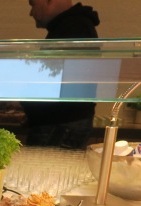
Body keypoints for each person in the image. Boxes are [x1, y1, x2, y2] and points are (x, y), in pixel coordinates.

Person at [21, 0, 100, 149]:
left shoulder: (74, 27)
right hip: (61, 123)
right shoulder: (73, 26)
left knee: (45, 171)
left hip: (59, 125)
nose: (31, 12)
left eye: (33, 5)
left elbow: (53, 82)